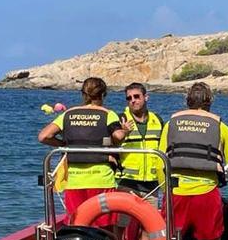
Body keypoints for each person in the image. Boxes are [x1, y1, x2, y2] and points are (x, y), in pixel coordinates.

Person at [157, 82, 228, 240]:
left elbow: (159, 162)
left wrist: (166, 192)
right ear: (210, 101)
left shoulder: (171, 125)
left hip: (176, 194)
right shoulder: (221, 128)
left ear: (187, 101)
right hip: (207, 194)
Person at [37, 77, 130, 227]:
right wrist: (125, 131)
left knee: (77, 224)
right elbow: (118, 136)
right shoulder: (107, 114)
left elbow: (43, 136)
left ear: (83, 94)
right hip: (101, 179)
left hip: (74, 180)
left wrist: (64, 145)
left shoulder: (68, 114)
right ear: (103, 94)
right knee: (104, 226)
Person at [117, 82, 164, 204]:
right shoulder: (121, 119)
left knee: (151, 222)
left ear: (146, 97)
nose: (133, 100)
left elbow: (165, 148)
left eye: (136, 96)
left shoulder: (157, 120)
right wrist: (123, 132)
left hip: (152, 185)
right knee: (124, 222)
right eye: (129, 98)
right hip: (127, 182)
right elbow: (111, 144)